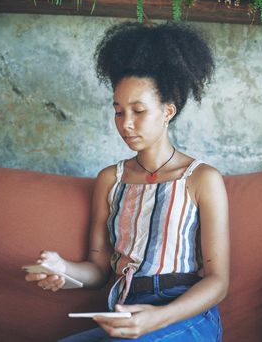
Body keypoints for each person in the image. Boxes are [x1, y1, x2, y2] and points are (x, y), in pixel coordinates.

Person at [24, 21, 230, 341]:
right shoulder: (111, 180)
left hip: (183, 313)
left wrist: (158, 318)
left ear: (168, 111)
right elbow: (97, 269)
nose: (126, 124)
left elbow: (218, 281)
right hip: (124, 313)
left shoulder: (203, 179)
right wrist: (63, 270)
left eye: (138, 111)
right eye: (119, 111)